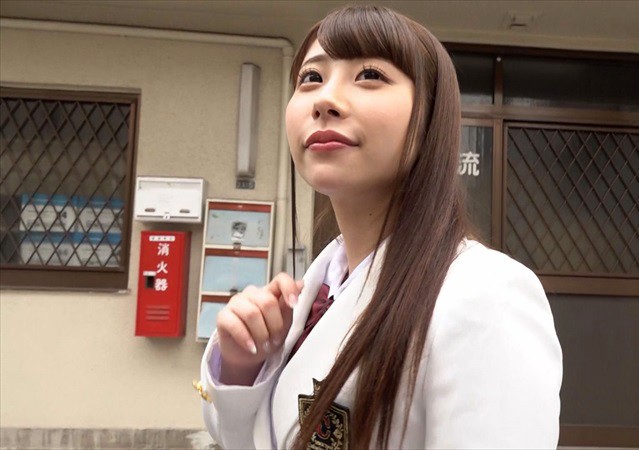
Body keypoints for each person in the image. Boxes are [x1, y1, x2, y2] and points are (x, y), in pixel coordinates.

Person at [198, 5, 562, 449]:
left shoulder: (485, 295)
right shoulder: (315, 294)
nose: (325, 100)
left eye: (369, 75)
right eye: (311, 77)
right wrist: (242, 365)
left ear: (429, 118)